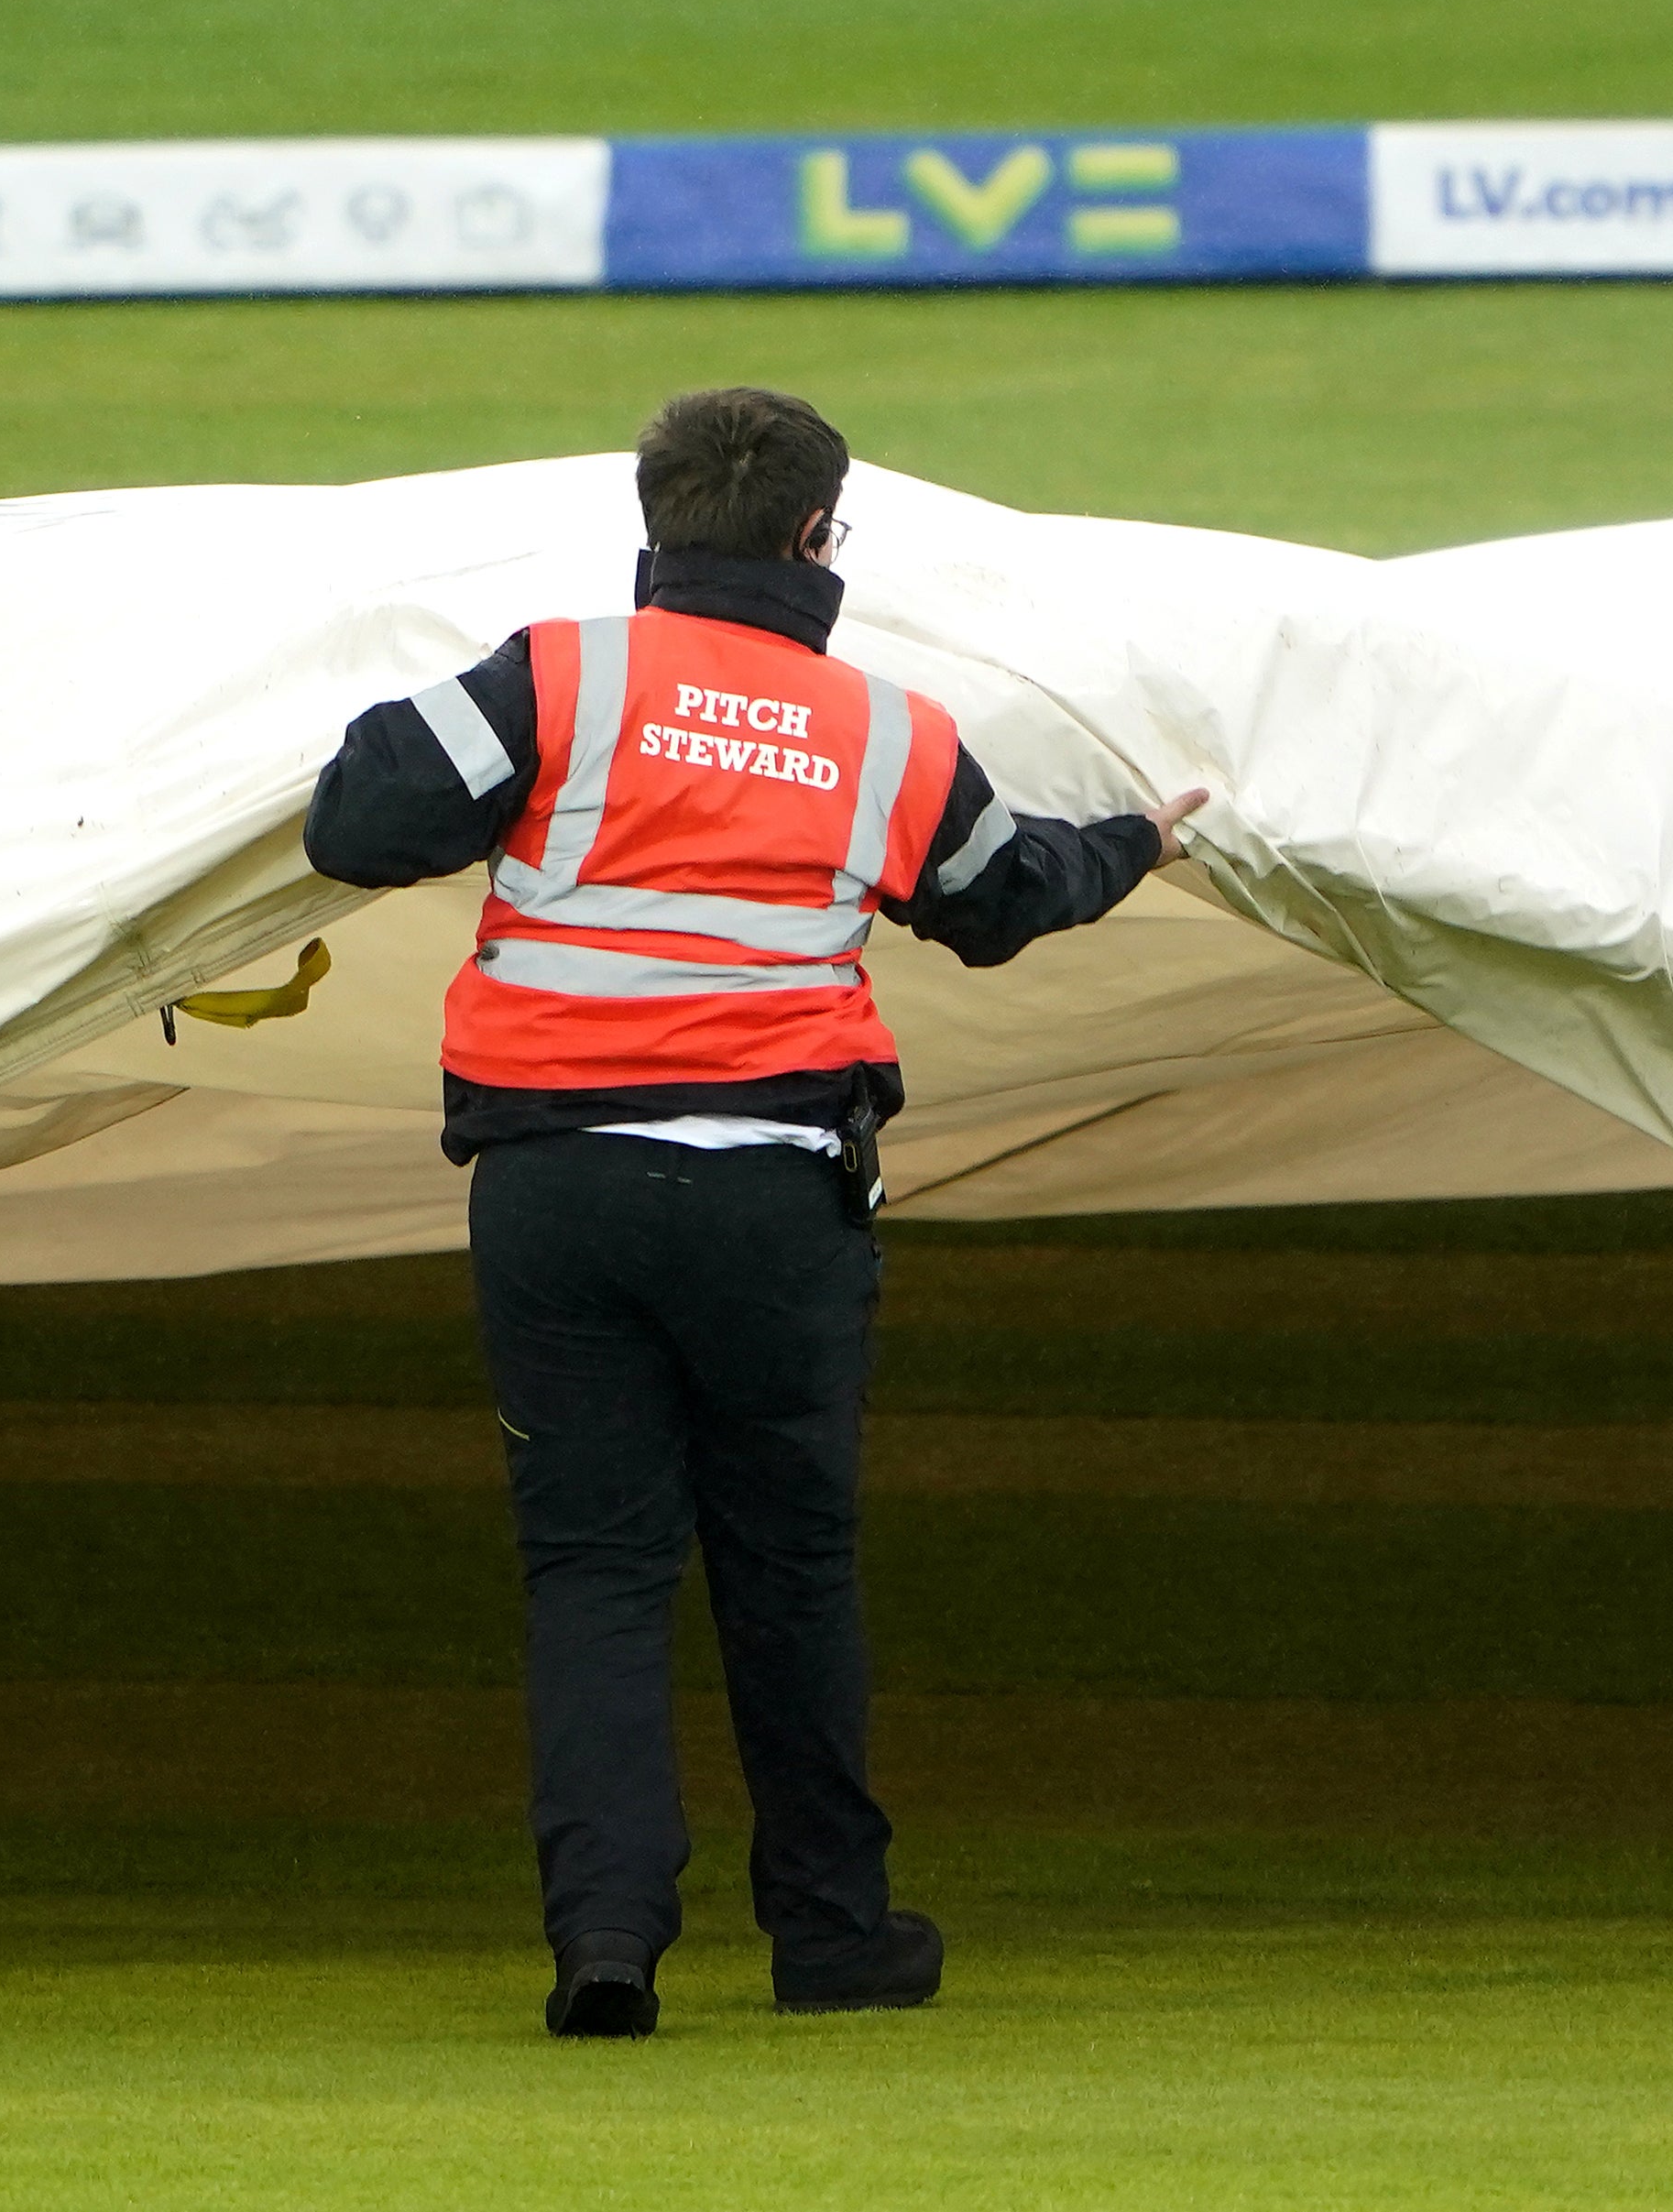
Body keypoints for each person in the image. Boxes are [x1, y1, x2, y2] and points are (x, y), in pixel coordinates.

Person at [301, 386, 1204, 2042]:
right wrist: (1134, 841)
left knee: (592, 1567)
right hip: (776, 1192)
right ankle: (831, 1930)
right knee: (790, 1566)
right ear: (817, 535)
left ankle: (607, 1936)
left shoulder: (560, 672)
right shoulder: (887, 730)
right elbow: (1002, 897)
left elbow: (357, 823)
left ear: (653, 525)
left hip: (555, 1185)